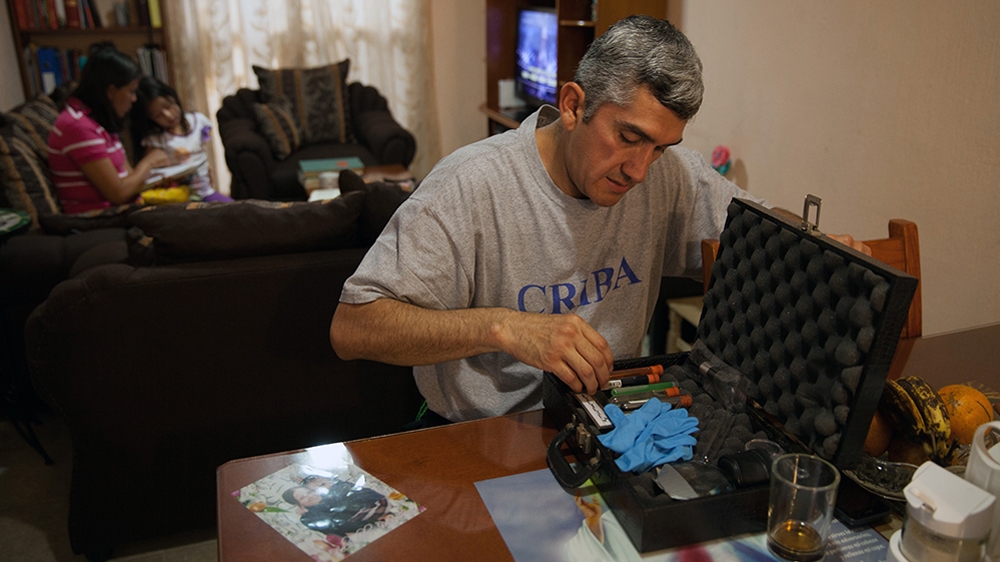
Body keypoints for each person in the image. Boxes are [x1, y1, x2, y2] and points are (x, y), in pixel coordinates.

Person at [329, 16, 868, 424]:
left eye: (660, 147)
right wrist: (505, 326)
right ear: (571, 105)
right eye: (628, 137)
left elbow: (754, 230)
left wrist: (811, 243)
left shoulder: (667, 173)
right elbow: (353, 328)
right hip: (476, 433)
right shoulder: (471, 185)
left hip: (608, 422)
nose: (639, 169)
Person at [47, 46, 170, 214]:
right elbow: (118, 193)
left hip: (121, 210)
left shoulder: (99, 121)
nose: (134, 99)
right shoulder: (77, 126)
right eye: (131, 91)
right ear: (111, 91)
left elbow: (129, 178)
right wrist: (149, 162)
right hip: (98, 218)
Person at [130, 76, 233, 202]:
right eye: (157, 115)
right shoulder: (155, 139)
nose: (168, 115)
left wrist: (207, 168)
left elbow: (200, 153)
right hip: (177, 197)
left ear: (172, 97)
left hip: (205, 192)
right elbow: (153, 175)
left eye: (168, 106)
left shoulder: (198, 121)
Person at [282, 481, 391, 538]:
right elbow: (341, 529)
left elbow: (373, 495)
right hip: (367, 530)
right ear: (299, 505)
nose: (310, 496)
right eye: (303, 497)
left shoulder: (333, 492)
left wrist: (337, 486)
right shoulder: (308, 517)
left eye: (309, 492)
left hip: (381, 514)